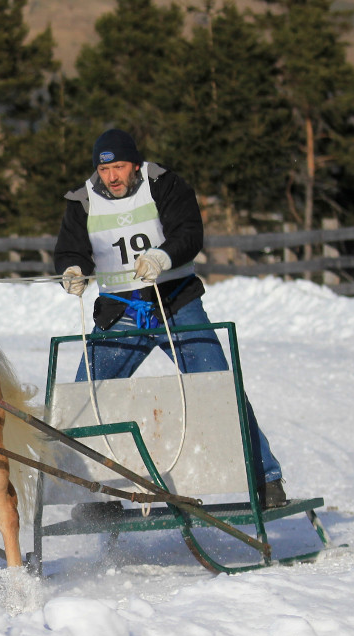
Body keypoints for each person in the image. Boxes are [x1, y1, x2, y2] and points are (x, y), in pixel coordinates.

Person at [53, 128, 286, 508]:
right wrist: (72, 271)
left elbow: (190, 233)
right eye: (104, 168)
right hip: (121, 314)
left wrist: (163, 257)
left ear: (135, 164)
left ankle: (267, 479)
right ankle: (92, 493)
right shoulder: (82, 201)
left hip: (176, 306)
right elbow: (69, 250)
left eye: (120, 167)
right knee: (85, 396)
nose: (112, 176)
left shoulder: (165, 184)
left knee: (220, 389)